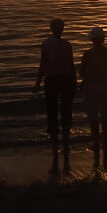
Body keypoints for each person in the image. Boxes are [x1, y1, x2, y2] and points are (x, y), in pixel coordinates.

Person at [33, 18, 76, 171]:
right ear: (62, 29)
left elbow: (43, 64)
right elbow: (71, 65)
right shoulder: (67, 45)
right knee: (66, 111)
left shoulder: (46, 44)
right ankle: (65, 144)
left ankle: (54, 146)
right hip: (64, 79)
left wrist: (37, 84)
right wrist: (75, 82)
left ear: (51, 29)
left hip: (51, 80)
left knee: (52, 112)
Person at [79, 26, 107, 165]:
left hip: (91, 86)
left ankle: (96, 142)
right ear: (103, 38)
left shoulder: (87, 54)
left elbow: (82, 72)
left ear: (91, 39)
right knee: (105, 116)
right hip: (105, 85)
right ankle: (105, 142)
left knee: (93, 116)